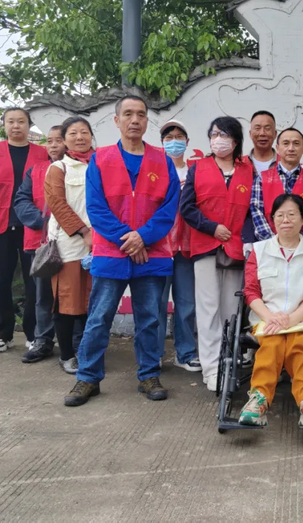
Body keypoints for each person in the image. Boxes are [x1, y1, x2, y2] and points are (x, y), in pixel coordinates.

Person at [64, 96, 179, 407]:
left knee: (150, 319)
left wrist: (142, 237)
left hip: (151, 253)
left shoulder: (162, 160)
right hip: (111, 253)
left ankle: (149, 375)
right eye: (128, 114)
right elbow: (96, 209)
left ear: (146, 121)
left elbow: (169, 209)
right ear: (116, 120)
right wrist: (129, 241)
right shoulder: (100, 160)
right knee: (100, 317)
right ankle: (87, 378)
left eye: (141, 114)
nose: (135, 120)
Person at [238, 194, 303, 427]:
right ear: (272, 220)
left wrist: (290, 320)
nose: (286, 220)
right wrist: (272, 319)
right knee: (273, 343)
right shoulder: (259, 251)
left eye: (292, 214)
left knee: (299, 345)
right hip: (265, 318)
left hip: (302, 319)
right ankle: (258, 399)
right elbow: (250, 292)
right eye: (280, 215)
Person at [180, 116, 254, 392]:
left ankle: (230, 364)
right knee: (208, 309)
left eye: (223, 134)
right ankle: (212, 369)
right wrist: (212, 228)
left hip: (236, 249)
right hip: (206, 246)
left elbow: (251, 210)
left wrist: (246, 239)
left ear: (235, 140)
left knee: (231, 311)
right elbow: (187, 208)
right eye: (213, 134)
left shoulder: (247, 171)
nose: (217, 139)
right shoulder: (198, 168)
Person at [0, 107, 49, 353]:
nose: (16, 126)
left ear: (29, 125)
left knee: (34, 280)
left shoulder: (42, 154)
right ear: (4, 125)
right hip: (0, 223)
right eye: (11, 122)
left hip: (33, 225)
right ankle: (2, 334)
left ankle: (33, 333)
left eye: (21, 122)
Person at [46, 117, 96, 374]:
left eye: (84, 132)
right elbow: (58, 205)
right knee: (67, 303)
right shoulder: (58, 168)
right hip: (70, 246)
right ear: (64, 140)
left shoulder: (102, 164)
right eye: (73, 133)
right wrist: (85, 232)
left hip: (101, 245)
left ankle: (89, 353)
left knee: (93, 302)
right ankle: (67, 354)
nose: (79, 137)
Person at [14, 125, 66, 363]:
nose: (53, 145)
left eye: (59, 140)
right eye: (50, 141)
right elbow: (21, 200)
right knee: (42, 294)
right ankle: (43, 339)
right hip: (41, 242)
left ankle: (75, 342)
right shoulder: (35, 171)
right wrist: (43, 221)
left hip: (72, 241)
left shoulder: (81, 168)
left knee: (72, 294)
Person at [157, 119, 200, 372]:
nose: (174, 141)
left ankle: (185, 353)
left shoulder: (196, 171)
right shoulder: (154, 171)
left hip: (187, 247)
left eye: (179, 136)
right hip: (159, 247)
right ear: (162, 143)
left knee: (186, 303)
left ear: (187, 142)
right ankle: (154, 353)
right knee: (156, 302)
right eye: (168, 137)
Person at [250, 127, 303, 244]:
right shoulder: (262, 179)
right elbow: (256, 212)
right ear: (278, 148)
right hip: (269, 248)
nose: (291, 148)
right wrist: (274, 244)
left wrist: (300, 242)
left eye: (296, 144)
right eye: (286, 143)